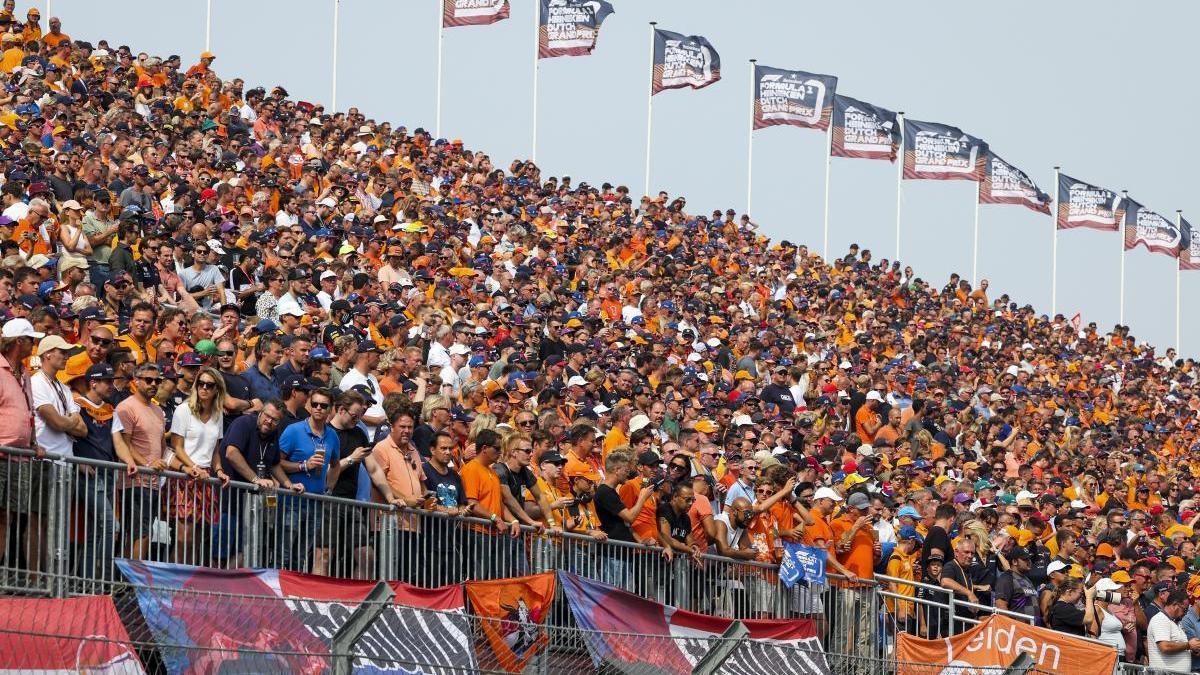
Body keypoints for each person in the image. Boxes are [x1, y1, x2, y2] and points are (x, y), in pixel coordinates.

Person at [277, 387, 341, 574]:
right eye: (315, 404)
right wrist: (303, 465)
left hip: (316, 503)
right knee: (285, 552)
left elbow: (336, 465)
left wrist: (328, 489)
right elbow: (277, 462)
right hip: (292, 501)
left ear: (330, 409)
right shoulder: (293, 430)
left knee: (302, 554)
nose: (319, 408)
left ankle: (294, 593)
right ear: (309, 406)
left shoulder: (332, 435)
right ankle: (280, 591)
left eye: (324, 405)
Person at [166, 367, 226, 565]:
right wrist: (193, 467)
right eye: (201, 384)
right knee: (184, 537)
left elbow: (215, 450)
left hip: (206, 476)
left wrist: (219, 471)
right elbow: (177, 447)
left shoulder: (218, 414)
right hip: (186, 474)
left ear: (217, 389)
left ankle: (189, 583)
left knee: (198, 539)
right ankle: (175, 582)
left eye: (210, 385)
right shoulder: (184, 410)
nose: (204, 388)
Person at [114, 363, 169, 560]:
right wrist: (147, 464)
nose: (153, 384)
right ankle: (131, 583)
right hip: (134, 481)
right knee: (138, 533)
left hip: (153, 483)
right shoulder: (126, 407)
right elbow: (124, 445)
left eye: (157, 380)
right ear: (136, 381)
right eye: (148, 380)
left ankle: (133, 582)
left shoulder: (158, 411)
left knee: (145, 532)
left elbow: (162, 447)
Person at [1146, 588, 1200, 673]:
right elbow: (1165, 647)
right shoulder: (1160, 619)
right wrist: (1189, 645)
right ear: (1175, 605)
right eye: (1184, 609)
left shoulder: (1175, 623)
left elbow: (1179, 646)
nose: (1185, 613)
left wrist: (1192, 650)